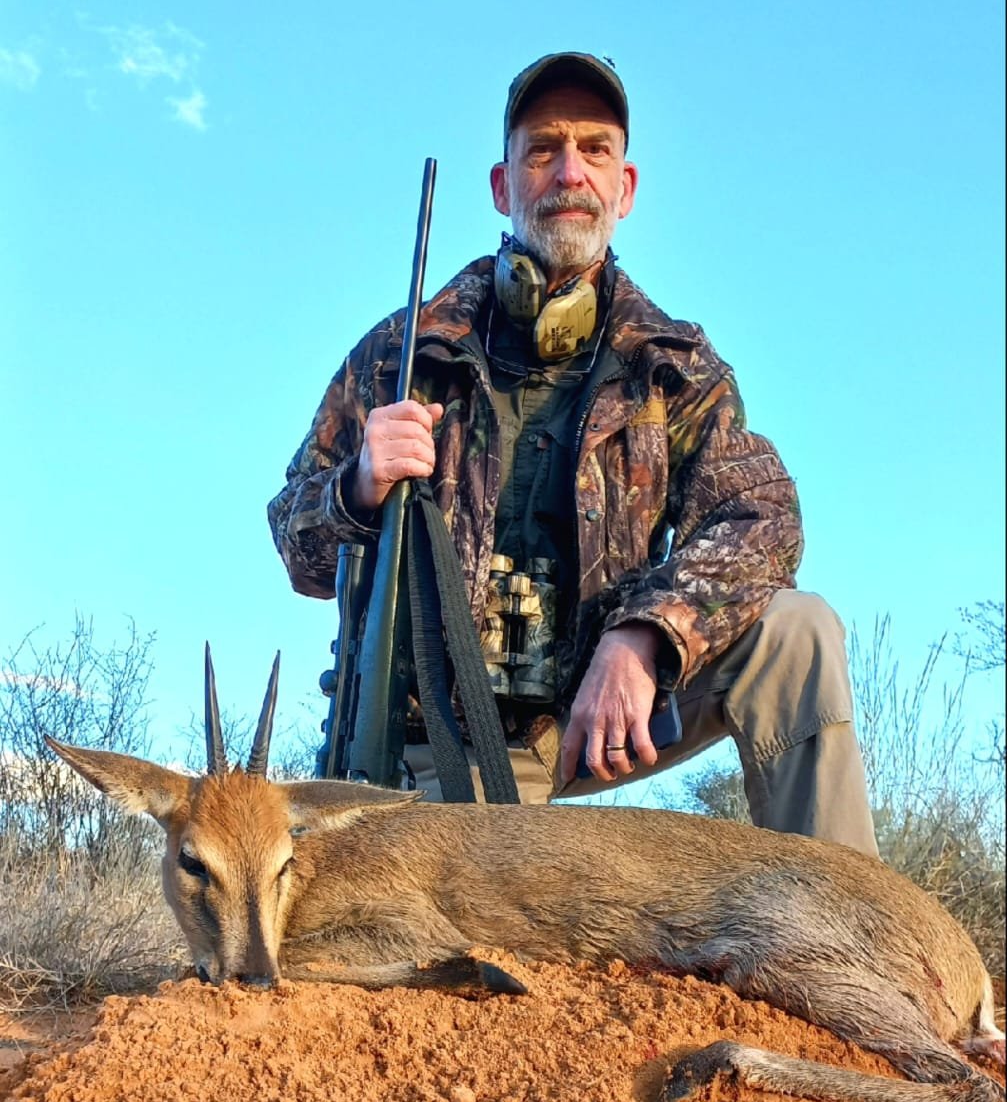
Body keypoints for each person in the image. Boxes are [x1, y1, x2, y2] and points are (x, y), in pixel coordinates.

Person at [267, 52, 878, 856]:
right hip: (443, 737)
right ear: (502, 184)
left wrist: (644, 635)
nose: (567, 171)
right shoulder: (398, 354)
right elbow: (297, 546)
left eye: (593, 150)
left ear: (623, 189)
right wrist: (354, 487)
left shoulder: (674, 364)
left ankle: (844, 930)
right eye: (542, 149)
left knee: (797, 631)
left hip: (606, 710)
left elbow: (760, 519)